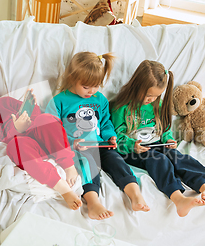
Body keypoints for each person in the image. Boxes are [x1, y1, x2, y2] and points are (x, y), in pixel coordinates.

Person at [46, 51, 149, 220]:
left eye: (96, 86)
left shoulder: (99, 99)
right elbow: (52, 131)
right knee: (87, 164)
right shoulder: (59, 101)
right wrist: (72, 143)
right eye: (86, 87)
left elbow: (106, 122)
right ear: (72, 78)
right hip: (78, 148)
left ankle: (135, 194)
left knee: (116, 160)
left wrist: (110, 136)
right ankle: (93, 202)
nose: (91, 91)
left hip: (100, 144)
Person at [110, 60, 205, 217]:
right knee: (158, 159)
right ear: (136, 86)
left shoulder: (158, 105)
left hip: (156, 143)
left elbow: (164, 128)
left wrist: (168, 139)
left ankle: (203, 186)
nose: (151, 99)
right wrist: (132, 145)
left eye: (155, 96)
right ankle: (178, 198)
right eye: (148, 95)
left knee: (178, 157)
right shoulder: (122, 107)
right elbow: (117, 137)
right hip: (133, 150)